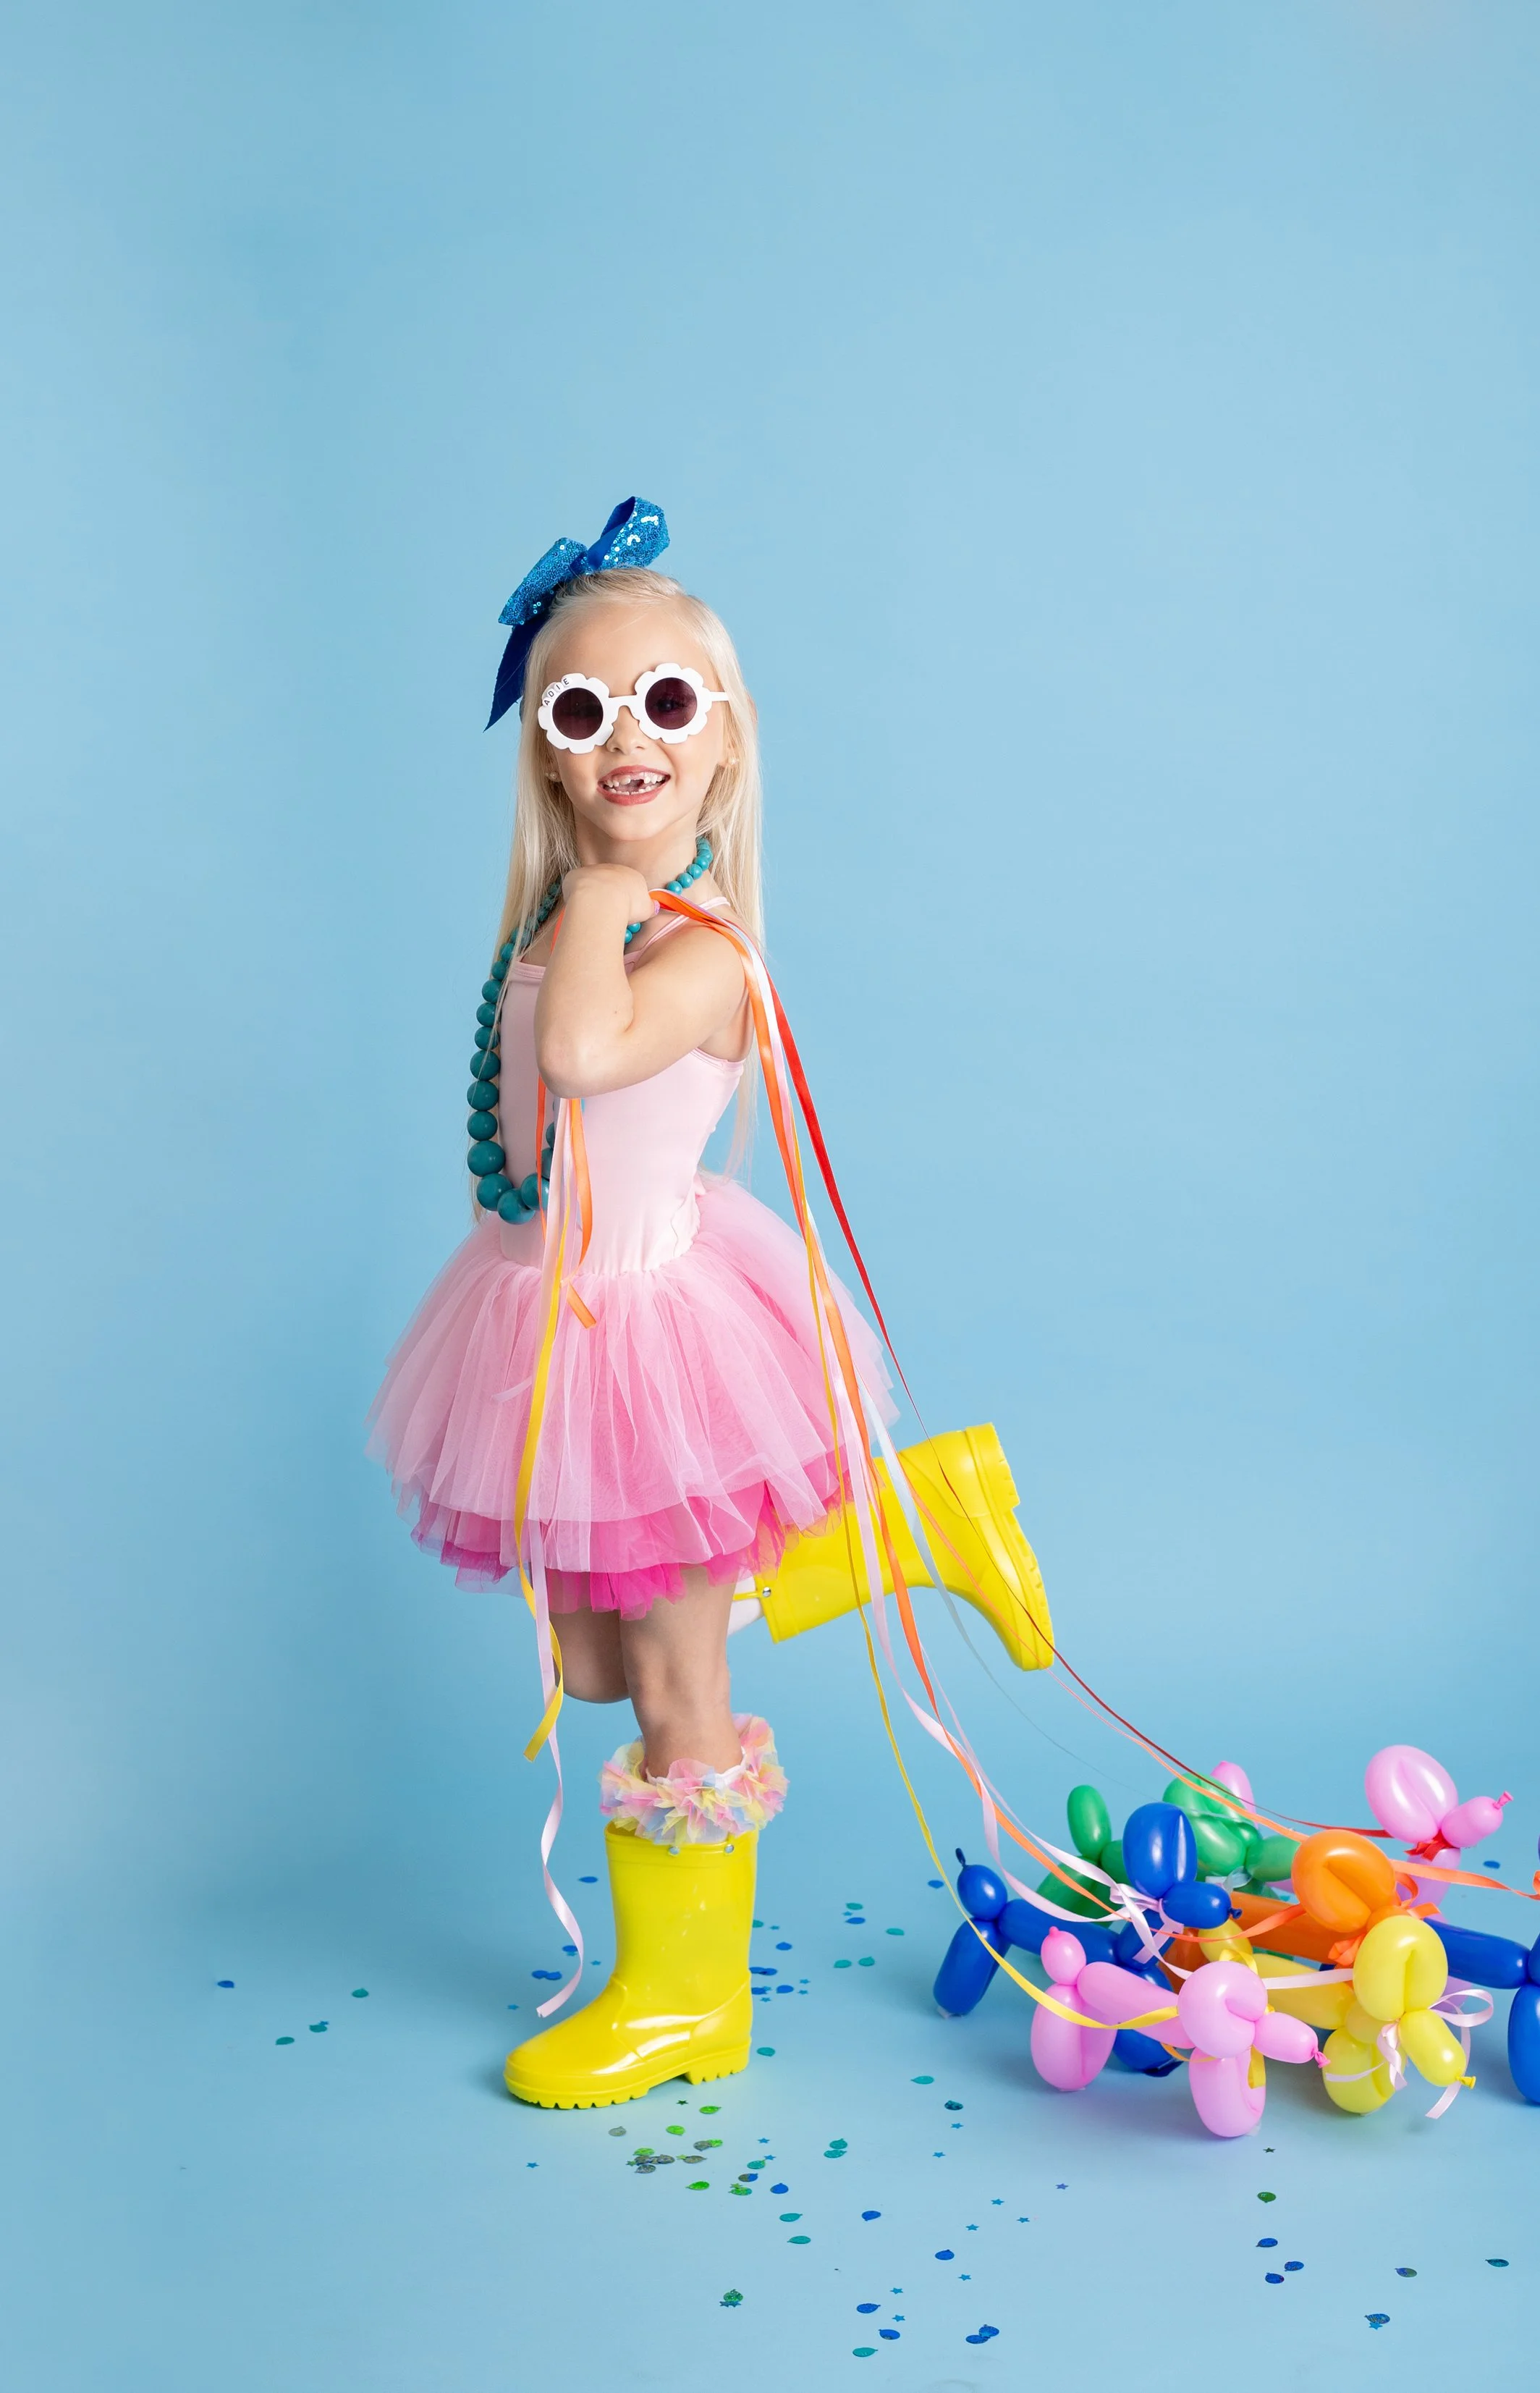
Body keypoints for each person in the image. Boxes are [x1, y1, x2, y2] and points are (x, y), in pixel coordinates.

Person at [370, 501, 1046, 2112]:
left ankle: (684, 2001)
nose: (625, 738)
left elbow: (591, 1060)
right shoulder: (552, 922)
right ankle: (908, 1530)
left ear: (723, 742)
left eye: (665, 701)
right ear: (540, 751)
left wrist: (607, 902)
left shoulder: (694, 950)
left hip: (657, 1337)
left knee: (677, 1685)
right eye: (579, 709)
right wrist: (574, 914)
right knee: (598, 1670)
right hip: (547, 1327)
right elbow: (525, 1120)